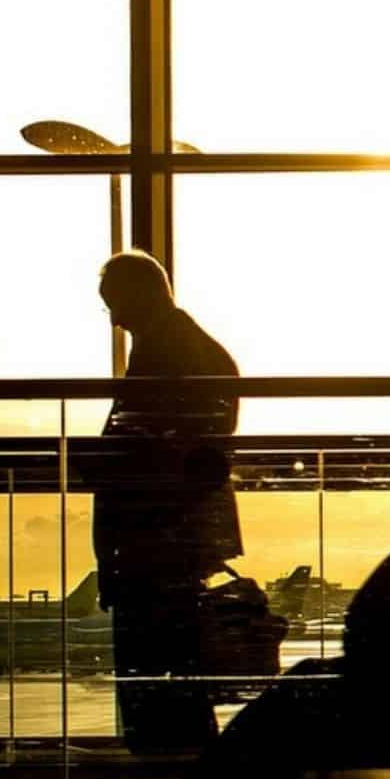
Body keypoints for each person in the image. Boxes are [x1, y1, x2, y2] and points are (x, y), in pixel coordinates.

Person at [89, 252, 243, 751]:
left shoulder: (170, 355)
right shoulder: (187, 350)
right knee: (175, 692)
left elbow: (167, 456)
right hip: (164, 547)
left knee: (158, 692)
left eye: (116, 305)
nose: (114, 319)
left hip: (153, 548)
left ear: (144, 294)